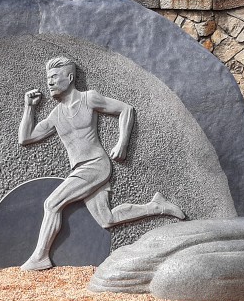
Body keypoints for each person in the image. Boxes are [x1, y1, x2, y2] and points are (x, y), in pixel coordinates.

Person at [18, 56, 185, 271]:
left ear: (69, 78)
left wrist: (122, 144)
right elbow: (26, 138)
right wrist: (29, 108)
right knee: (107, 218)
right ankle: (157, 206)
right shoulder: (55, 114)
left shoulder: (89, 99)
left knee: (52, 204)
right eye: (47, 78)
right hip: (80, 169)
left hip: (95, 165)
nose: (49, 82)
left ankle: (40, 257)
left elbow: (126, 110)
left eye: (54, 77)